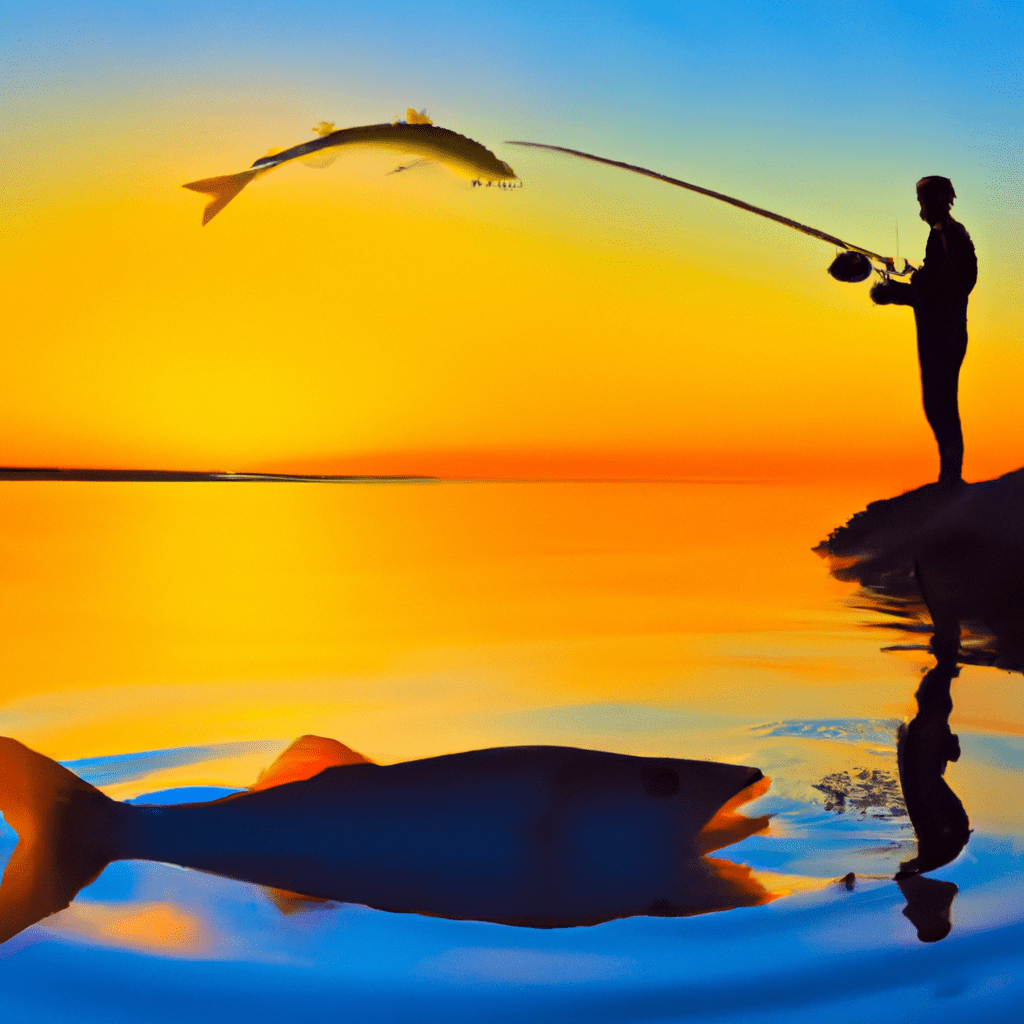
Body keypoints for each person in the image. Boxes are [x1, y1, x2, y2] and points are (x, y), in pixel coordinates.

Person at [871, 177, 977, 486]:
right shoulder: (938, 237)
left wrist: (900, 293)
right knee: (935, 404)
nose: (924, 208)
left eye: (928, 201)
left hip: (946, 337)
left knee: (942, 403)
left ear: (946, 199)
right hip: (935, 336)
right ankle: (949, 477)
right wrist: (901, 291)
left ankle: (951, 479)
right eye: (921, 202)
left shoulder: (956, 237)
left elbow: (956, 287)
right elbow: (930, 284)